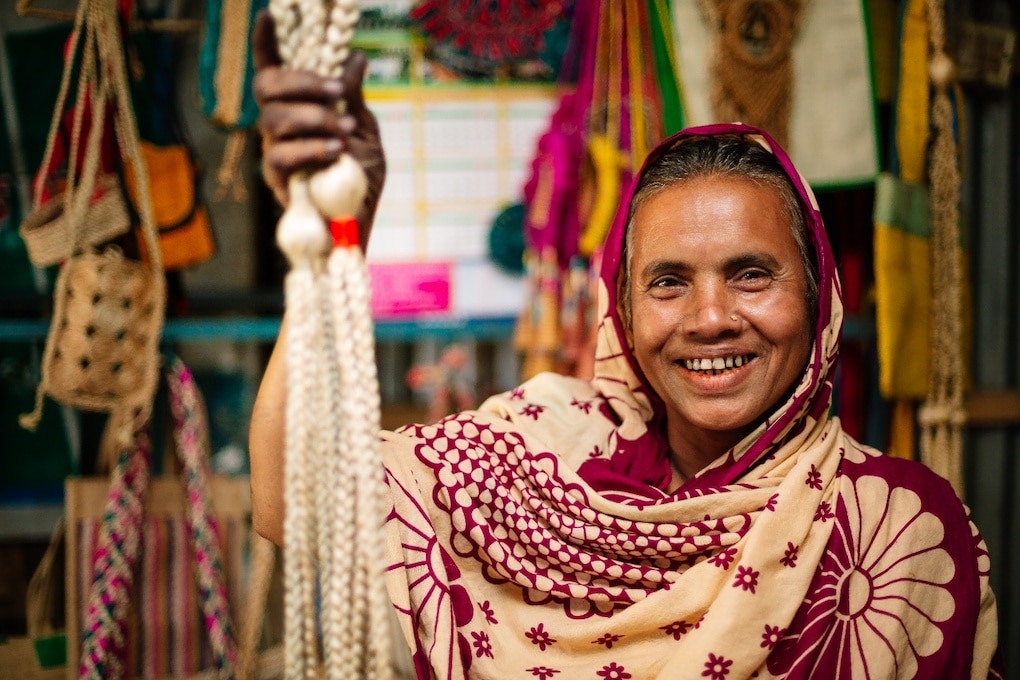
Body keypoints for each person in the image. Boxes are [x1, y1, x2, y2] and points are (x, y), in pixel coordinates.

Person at [248, 13, 1001, 679]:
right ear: (623, 310)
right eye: (668, 282)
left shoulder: (898, 532)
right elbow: (295, 497)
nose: (710, 318)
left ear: (819, 297)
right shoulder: (534, 462)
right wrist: (336, 236)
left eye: (750, 274)